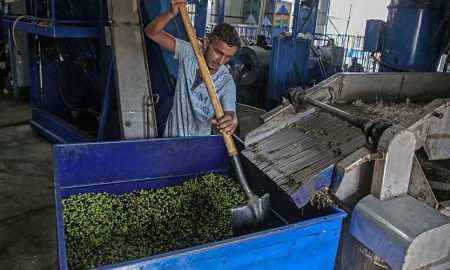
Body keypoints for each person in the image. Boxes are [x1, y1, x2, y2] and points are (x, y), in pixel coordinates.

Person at [145, 0, 241, 137]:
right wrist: (170, 13)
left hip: (199, 144)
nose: (221, 61)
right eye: (218, 52)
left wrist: (232, 122)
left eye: (228, 57)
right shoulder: (189, 53)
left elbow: (232, 116)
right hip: (171, 138)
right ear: (207, 42)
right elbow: (152, 33)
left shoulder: (226, 82)